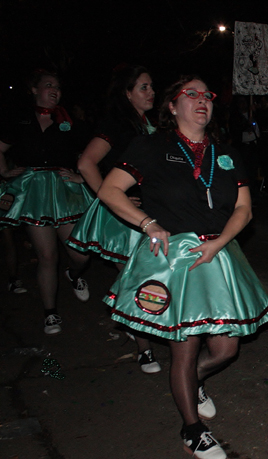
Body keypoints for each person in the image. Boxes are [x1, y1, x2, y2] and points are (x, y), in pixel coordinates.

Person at [98, 76, 268, 459]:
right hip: (175, 257)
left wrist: (221, 241)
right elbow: (109, 190)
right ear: (172, 106)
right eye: (191, 95)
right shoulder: (151, 146)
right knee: (185, 345)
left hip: (218, 252)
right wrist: (147, 224)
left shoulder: (225, 153)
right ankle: (192, 430)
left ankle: (193, 382)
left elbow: (244, 209)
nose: (202, 101)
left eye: (208, 96)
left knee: (227, 348)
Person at [68, 65, 160, 373]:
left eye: (151, 87)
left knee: (147, 275)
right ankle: (144, 348)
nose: (151, 92)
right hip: (122, 213)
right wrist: (107, 198)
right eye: (144, 87)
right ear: (127, 93)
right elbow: (86, 162)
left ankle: (148, 332)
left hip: (147, 210)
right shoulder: (117, 123)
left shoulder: (148, 124)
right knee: (131, 277)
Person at [0, 69, 92, 334]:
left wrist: (80, 175)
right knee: (47, 255)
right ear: (33, 89)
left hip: (63, 191)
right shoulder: (20, 119)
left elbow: (90, 152)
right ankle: (50, 313)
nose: (55, 90)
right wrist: (5, 172)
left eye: (58, 87)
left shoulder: (68, 120)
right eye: (49, 85)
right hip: (34, 192)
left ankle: (74, 274)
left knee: (81, 253)